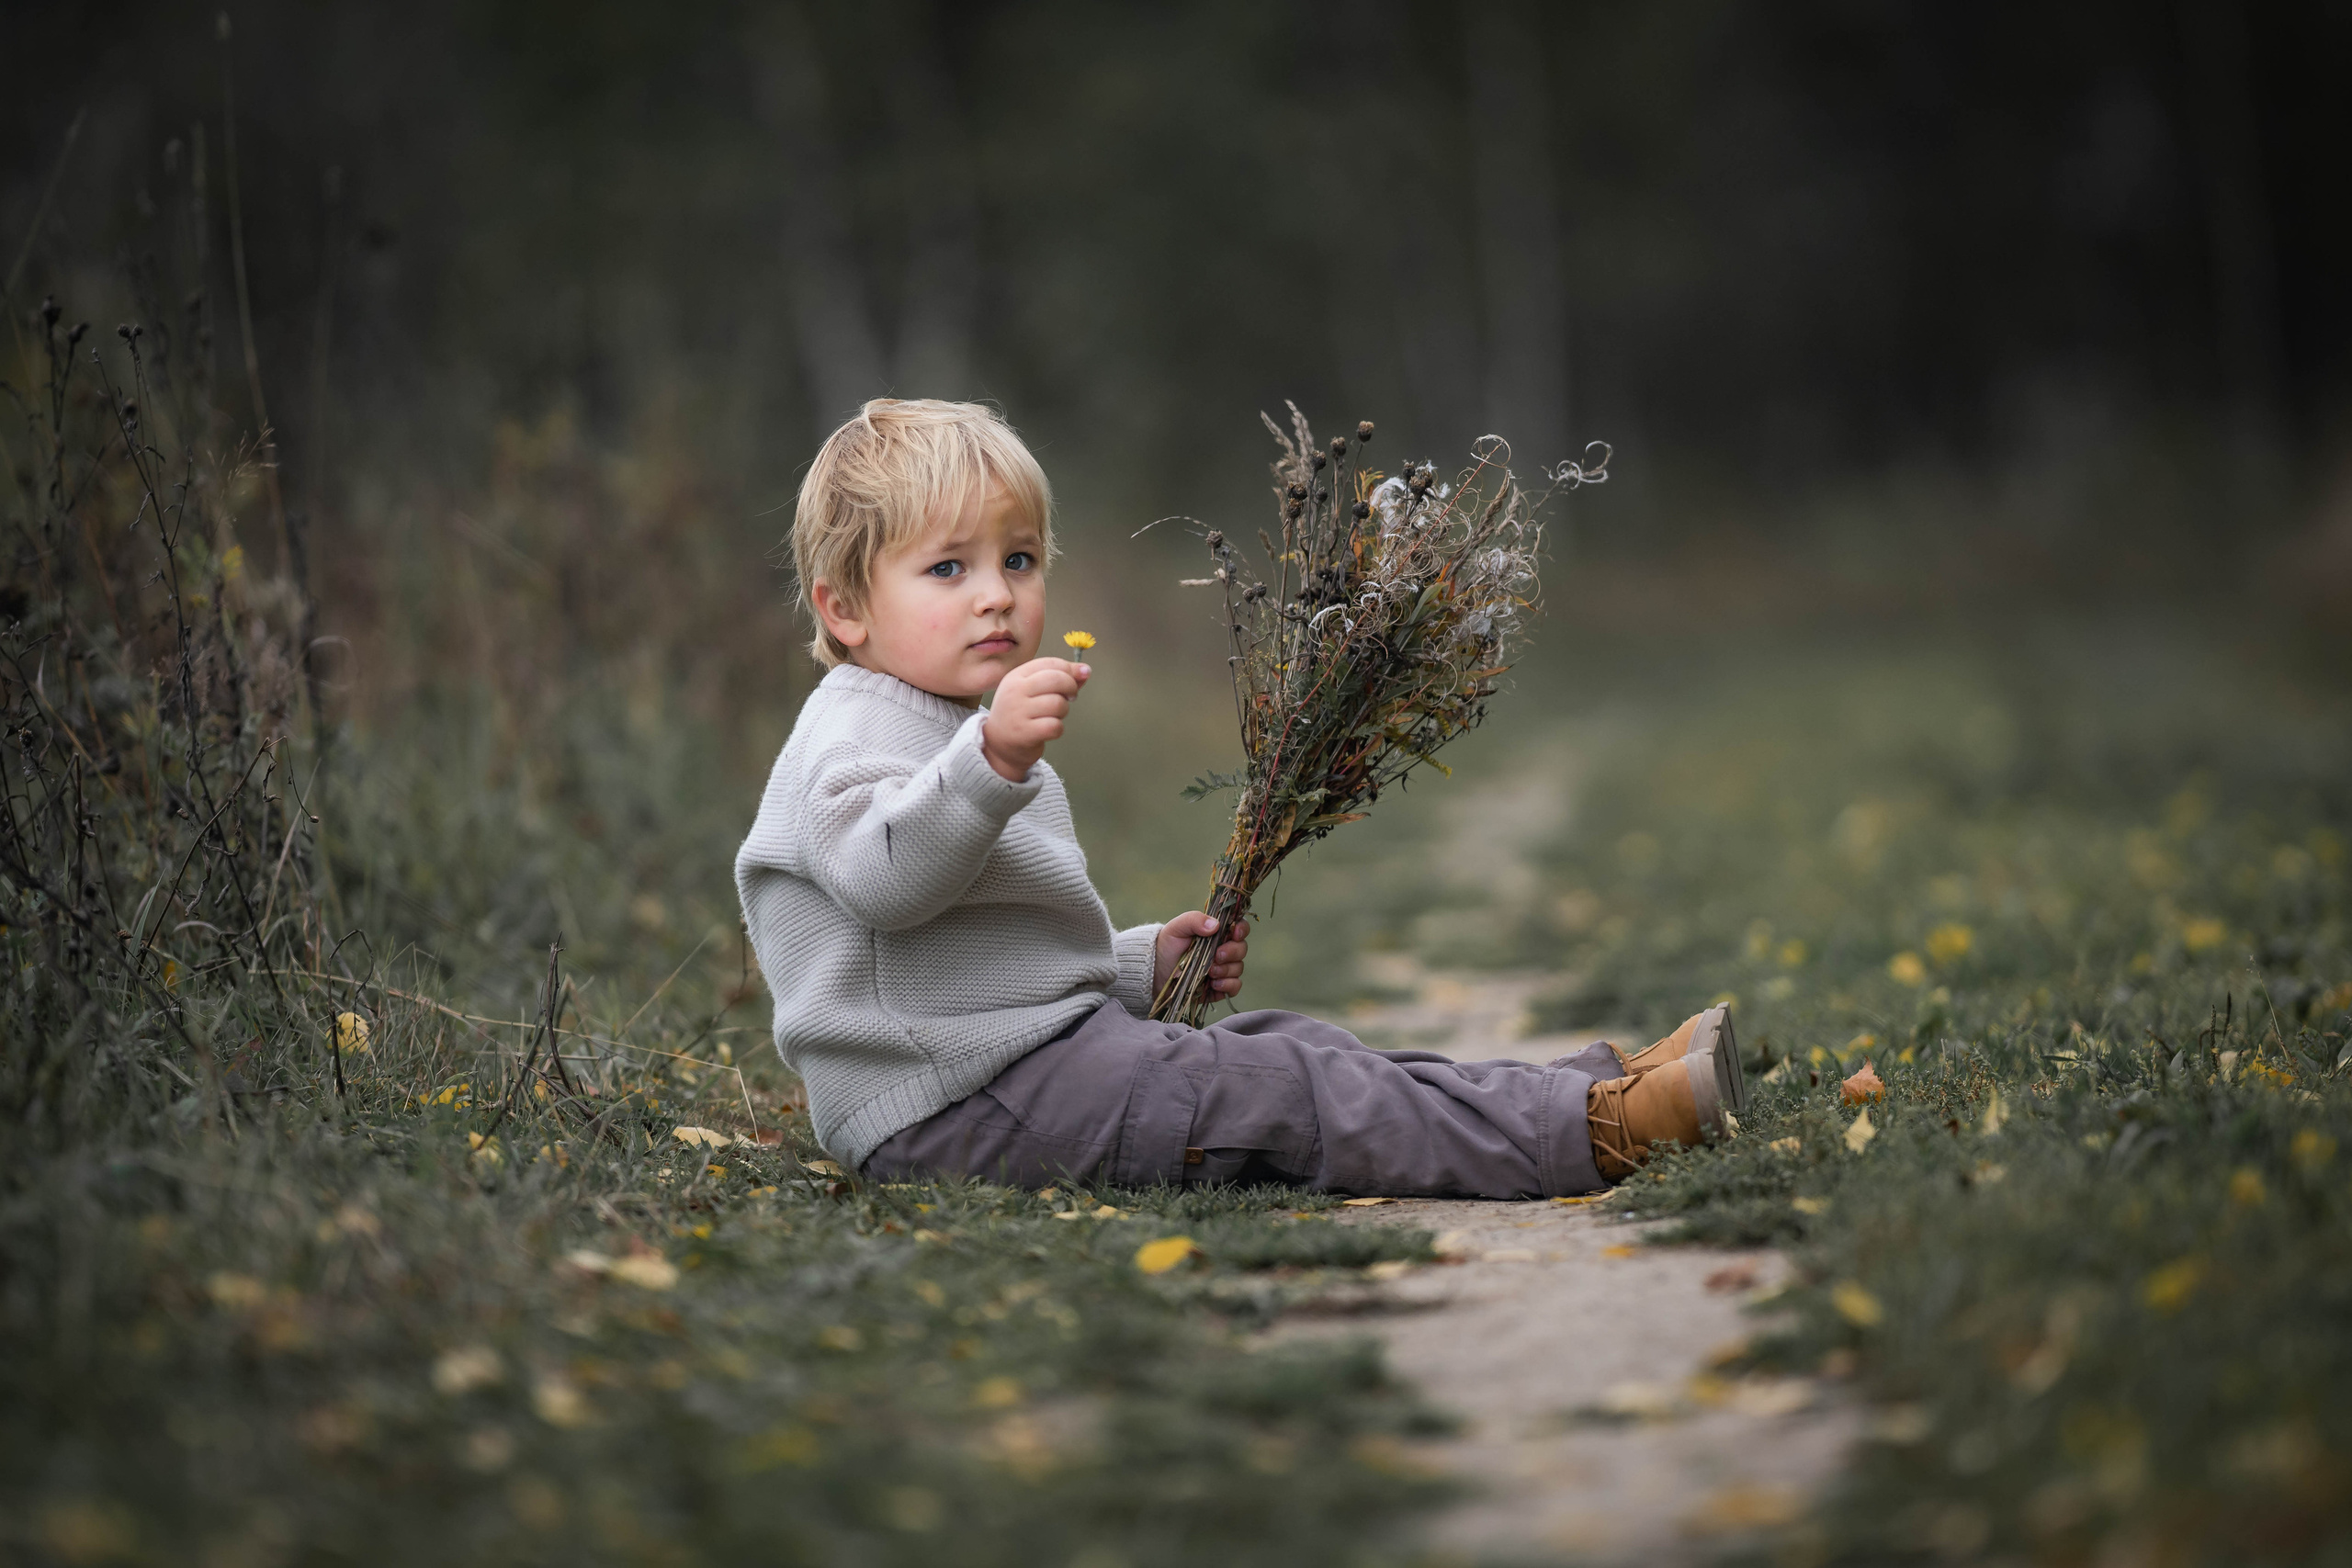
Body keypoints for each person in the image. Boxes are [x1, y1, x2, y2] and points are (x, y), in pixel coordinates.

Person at [735, 399, 1746, 1196]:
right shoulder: (856, 730)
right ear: (846, 608)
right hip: (942, 1110)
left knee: (1288, 1048)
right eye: (947, 568)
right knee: (1277, 1093)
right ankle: (1594, 1135)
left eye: (1018, 560)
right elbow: (882, 884)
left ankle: (1572, 1089)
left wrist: (1137, 965)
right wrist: (985, 762)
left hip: (1012, 1070)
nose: (995, 593)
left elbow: (980, 950)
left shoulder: (954, 719)